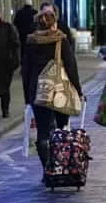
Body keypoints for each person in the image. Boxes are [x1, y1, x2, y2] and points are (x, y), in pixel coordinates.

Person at [21, 11, 82, 180]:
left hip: (38, 92)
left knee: (42, 133)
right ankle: (62, 165)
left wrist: (27, 95)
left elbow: (25, 71)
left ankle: (47, 170)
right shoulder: (60, 40)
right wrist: (78, 90)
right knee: (62, 130)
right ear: (54, 24)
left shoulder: (31, 42)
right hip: (59, 92)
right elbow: (71, 66)